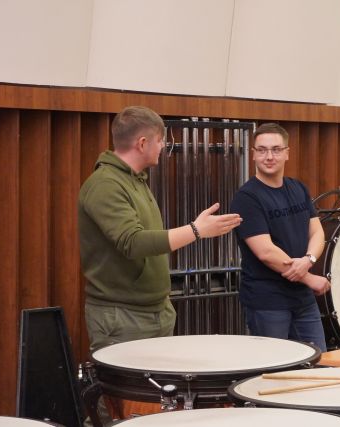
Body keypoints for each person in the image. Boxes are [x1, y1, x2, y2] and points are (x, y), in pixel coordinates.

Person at [78, 105, 242, 353]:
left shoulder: (135, 179)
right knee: (127, 380)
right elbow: (133, 242)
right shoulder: (105, 185)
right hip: (123, 316)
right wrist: (196, 230)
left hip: (155, 310)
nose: (163, 146)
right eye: (160, 140)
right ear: (142, 143)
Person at [230, 123, 330, 352]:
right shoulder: (247, 198)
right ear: (253, 154)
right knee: (276, 367)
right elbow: (266, 252)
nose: (269, 156)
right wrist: (309, 278)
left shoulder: (298, 188)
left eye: (276, 149)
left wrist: (309, 260)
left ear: (287, 153)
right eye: (262, 150)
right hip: (268, 302)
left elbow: (317, 232)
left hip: (303, 300)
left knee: (319, 362)